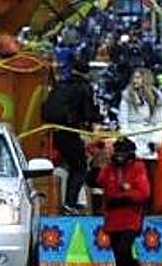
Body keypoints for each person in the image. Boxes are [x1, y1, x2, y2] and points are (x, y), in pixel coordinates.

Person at [42, 55, 98, 214]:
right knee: (80, 167)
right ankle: (70, 202)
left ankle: (67, 201)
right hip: (70, 131)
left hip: (56, 131)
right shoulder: (83, 87)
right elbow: (87, 112)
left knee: (68, 165)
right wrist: (94, 118)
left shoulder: (61, 85)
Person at [96, 137, 151, 266]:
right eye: (117, 152)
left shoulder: (138, 167)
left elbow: (144, 192)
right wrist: (97, 161)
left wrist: (124, 197)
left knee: (124, 250)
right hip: (113, 218)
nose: (119, 156)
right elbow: (99, 180)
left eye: (122, 153)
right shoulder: (110, 168)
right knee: (118, 256)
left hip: (131, 217)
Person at [117, 68, 162, 160]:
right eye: (134, 78)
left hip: (150, 137)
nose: (135, 80)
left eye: (138, 77)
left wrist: (156, 140)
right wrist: (132, 141)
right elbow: (123, 123)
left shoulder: (157, 98)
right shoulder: (127, 97)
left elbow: (159, 122)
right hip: (132, 136)